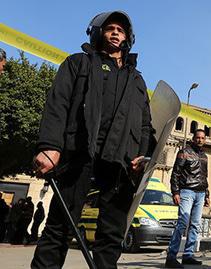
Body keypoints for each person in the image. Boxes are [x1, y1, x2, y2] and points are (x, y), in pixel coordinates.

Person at [31, 11, 155, 269]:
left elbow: (146, 125)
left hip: (120, 164)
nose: (115, 32)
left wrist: (143, 156)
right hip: (80, 154)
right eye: (110, 28)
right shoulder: (79, 63)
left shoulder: (137, 80)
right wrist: (49, 146)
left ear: (128, 38)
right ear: (98, 32)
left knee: (111, 236)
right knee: (59, 228)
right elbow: (58, 104)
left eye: (120, 30)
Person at [165, 129, 210, 268]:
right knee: (182, 223)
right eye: (198, 138)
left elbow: (204, 177)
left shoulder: (205, 156)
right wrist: (175, 192)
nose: (200, 140)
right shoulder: (184, 152)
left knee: (195, 225)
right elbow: (175, 173)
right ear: (193, 138)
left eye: (202, 138)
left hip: (200, 193)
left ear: (205, 139)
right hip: (187, 192)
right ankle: (171, 257)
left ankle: (188, 255)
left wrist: (207, 194)